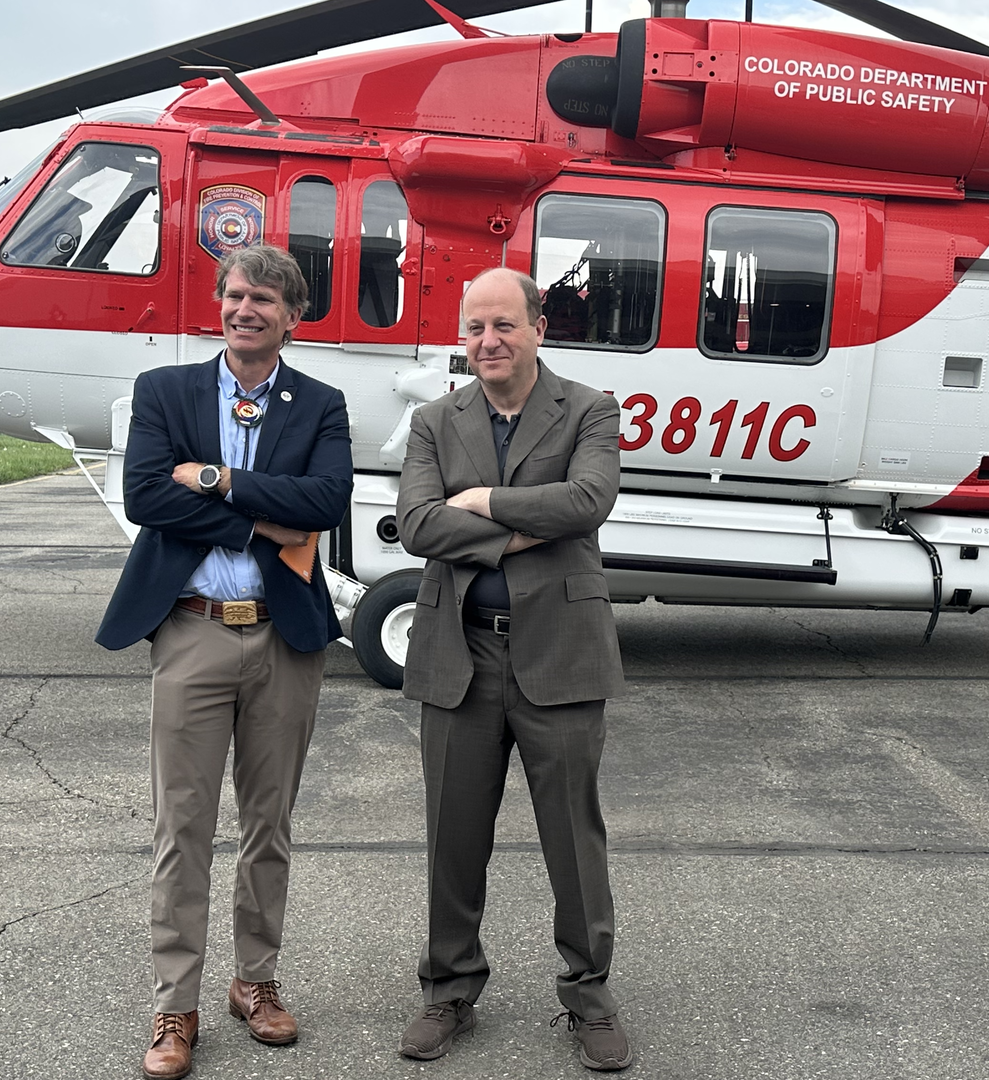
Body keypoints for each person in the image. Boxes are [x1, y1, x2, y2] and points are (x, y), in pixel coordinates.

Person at [95, 245, 352, 1080]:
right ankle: (177, 1003)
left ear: (292, 315)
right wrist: (255, 520)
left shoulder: (320, 403)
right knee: (184, 827)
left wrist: (213, 477)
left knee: (268, 827)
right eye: (237, 295)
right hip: (194, 630)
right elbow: (145, 495)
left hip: (284, 638)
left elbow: (325, 501)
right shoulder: (164, 390)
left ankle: (256, 982)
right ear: (220, 303)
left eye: (266, 299)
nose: (247, 309)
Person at [393, 267, 632, 1071]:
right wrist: (527, 527)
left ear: (537, 326)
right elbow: (418, 524)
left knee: (574, 839)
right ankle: (449, 989)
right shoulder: (433, 419)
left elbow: (588, 502)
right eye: (472, 328)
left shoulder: (592, 408)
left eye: (502, 325)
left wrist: (483, 503)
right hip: (459, 653)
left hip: (561, 654)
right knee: (452, 840)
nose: (486, 342)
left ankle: (589, 995)